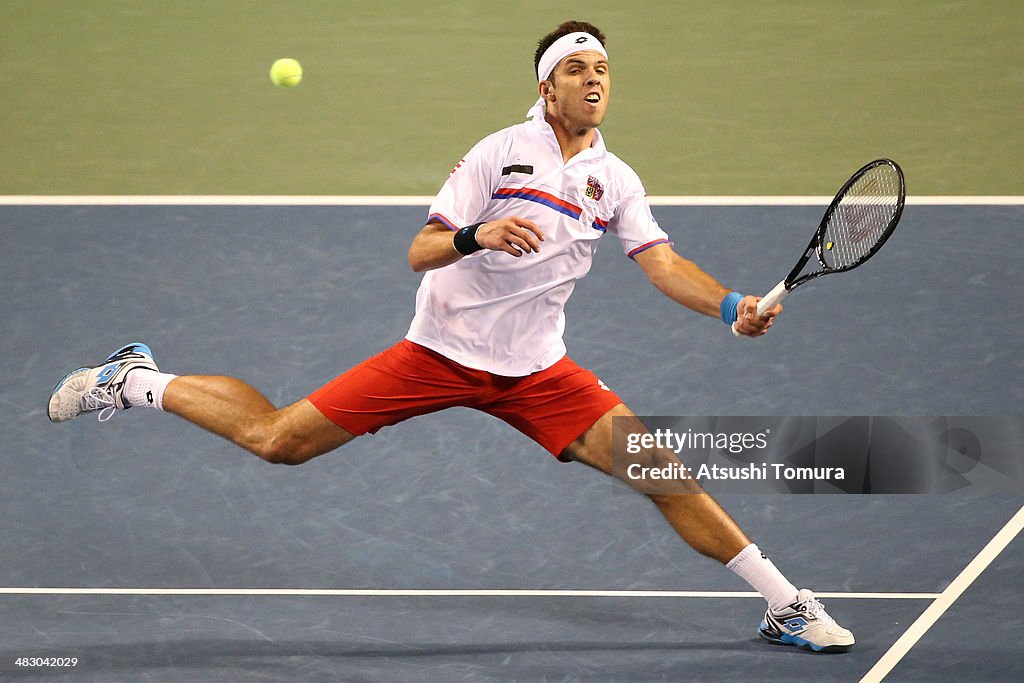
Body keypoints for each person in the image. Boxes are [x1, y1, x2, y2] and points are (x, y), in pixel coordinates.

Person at [48, 20, 853, 653]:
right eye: (578, 67)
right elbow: (420, 249)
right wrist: (480, 235)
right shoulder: (497, 154)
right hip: (436, 353)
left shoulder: (618, 179)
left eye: (602, 68)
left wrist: (732, 304)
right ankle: (137, 378)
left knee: (662, 472)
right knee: (276, 440)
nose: (595, 78)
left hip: (539, 373)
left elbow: (665, 264)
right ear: (547, 87)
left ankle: (784, 602)